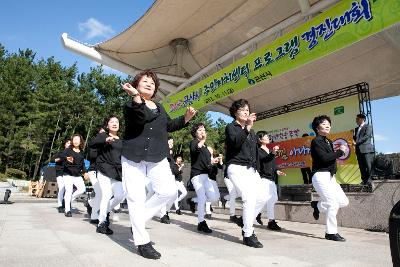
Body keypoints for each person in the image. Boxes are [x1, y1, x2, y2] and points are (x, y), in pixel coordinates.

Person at [121, 70, 196, 259]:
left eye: (152, 83)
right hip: (133, 156)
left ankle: (138, 220)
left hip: (157, 155)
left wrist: (185, 118)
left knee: (168, 191)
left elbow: (168, 126)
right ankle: (142, 242)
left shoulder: (160, 107)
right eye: (144, 81)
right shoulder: (130, 105)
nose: (149, 84)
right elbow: (140, 118)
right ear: (136, 85)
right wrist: (137, 98)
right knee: (135, 198)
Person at [225, 99, 269, 248]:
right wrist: (247, 127)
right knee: (249, 198)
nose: (246, 112)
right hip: (236, 167)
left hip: (251, 169)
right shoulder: (231, 127)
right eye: (242, 109)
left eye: (247, 109)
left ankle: (245, 221)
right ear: (235, 112)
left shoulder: (252, 132)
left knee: (263, 197)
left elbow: (255, 152)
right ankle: (248, 234)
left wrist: (258, 169)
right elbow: (235, 143)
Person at [310, 115, 349, 242]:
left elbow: (331, 160)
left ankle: (318, 205)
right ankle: (331, 232)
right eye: (324, 123)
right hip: (320, 176)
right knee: (332, 203)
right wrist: (340, 152)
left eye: (329, 124)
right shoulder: (316, 141)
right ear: (317, 127)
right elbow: (324, 158)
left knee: (343, 201)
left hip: (330, 177)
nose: (328, 125)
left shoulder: (329, 141)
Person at [90, 115, 125, 235]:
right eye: (112, 122)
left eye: (117, 122)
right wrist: (105, 140)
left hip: (117, 172)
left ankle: (104, 211)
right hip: (104, 169)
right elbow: (92, 143)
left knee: (120, 195)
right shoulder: (103, 136)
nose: (115, 123)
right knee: (107, 194)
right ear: (107, 125)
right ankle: (102, 223)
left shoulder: (121, 141)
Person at [189, 123, 220, 233]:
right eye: (199, 130)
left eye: (203, 130)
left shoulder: (206, 147)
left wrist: (213, 161)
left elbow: (205, 160)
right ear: (195, 133)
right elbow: (195, 150)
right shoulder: (194, 142)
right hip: (196, 175)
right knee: (202, 198)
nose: (202, 131)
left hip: (206, 175)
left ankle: (193, 200)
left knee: (214, 197)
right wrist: (202, 140)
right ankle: (201, 222)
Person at [255, 131, 285, 230]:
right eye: (265, 136)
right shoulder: (258, 151)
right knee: (265, 199)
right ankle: (270, 221)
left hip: (271, 178)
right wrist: (273, 153)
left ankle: (258, 213)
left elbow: (272, 164)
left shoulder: (268, 150)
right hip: (263, 178)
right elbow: (265, 160)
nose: (268, 137)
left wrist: (277, 171)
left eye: (268, 136)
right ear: (260, 139)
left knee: (273, 199)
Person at [61, 134, 89, 217]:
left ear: (80, 141)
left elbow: (82, 164)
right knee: (68, 190)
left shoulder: (81, 152)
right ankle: (67, 210)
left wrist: (85, 173)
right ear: (72, 141)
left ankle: (69, 200)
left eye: (78, 139)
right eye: (74, 139)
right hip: (67, 174)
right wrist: (66, 158)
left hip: (77, 175)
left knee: (82, 189)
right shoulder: (68, 150)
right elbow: (61, 156)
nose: (76, 141)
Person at [353, 114, 374, 185]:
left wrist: (356, 142)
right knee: (361, 166)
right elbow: (355, 139)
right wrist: (352, 135)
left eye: (357, 119)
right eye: (356, 119)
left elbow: (366, 136)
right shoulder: (356, 129)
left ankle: (370, 180)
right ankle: (364, 180)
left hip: (366, 149)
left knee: (368, 165)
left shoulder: (368, 126)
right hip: (358, 150)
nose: (356, 120)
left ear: (362, 119)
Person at [51, 138, 71, 213]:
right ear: (65, 144)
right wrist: (62, 158)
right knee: (62, 188)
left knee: (68, 189)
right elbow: (53, 160)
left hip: (68, 173)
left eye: (70, 143)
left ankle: (66, 204)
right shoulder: (60, 152)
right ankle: (60, 205)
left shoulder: (72, 153)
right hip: (60, 173)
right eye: (68, 143)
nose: (69, 144)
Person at [204, 147, 222, 219]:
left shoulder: (214, 159)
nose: (211, 151)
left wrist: (220, 159)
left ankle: (193, 201)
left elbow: (220, 167)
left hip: (213, 179)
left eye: (211, 150)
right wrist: (211, 162)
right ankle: (208, 212)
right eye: (209, 150)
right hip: (207, 179)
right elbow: (206, 168)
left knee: (216, 196)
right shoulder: (205, 158)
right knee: (209, 196)